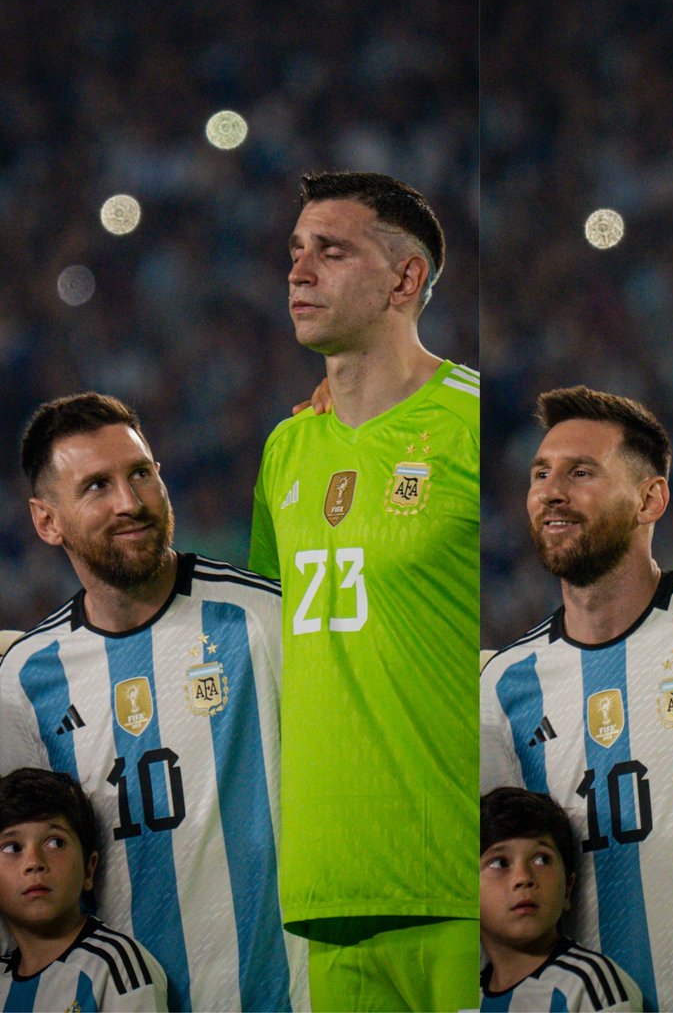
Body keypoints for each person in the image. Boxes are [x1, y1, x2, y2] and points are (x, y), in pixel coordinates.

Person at [249, 170, 479, 1012]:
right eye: (296, 251)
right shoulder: (286, 449)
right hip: (324, 889)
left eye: (332, 251)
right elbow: (272, 628)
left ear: (404, 279)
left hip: (458, 881)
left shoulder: (473, 423)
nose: (298, 271)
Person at [481, 386, 673, 1013]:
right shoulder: (505, 684)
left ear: (651, 499)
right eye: (540, 474)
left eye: (580, 472)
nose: (551, 491)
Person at [0, 392, 308, 1012]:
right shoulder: (26, 679)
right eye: (97, 486)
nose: (130, 502)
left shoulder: (264, 618)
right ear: (46, 521)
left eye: (141, 473)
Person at [0, 767, 167, 1012]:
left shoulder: (114, 966)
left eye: (55, 842)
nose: (34, 862)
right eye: (12, 848)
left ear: (88, 870)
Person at [480, 786, 643, 1012]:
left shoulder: (587, 985)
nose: (523, 878)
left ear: (568, 889)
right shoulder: (465, 994)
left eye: (541, 859)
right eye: (500, 863)